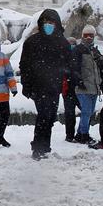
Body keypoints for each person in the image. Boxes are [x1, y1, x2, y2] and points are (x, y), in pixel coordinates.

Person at [19, 9, 71, 160]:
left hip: (54, 87)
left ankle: (45, 146)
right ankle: (38, 147)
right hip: (38, 86)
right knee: (43, 115)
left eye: (51, 22)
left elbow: (69, 64)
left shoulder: (62, 43)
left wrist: (67, 80)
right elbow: (25, 65)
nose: (48, 25)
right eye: (46, 22)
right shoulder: (32, 42)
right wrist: (26, 84)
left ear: (56, 24)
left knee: (50, 117)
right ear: (41, 23)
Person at [69, 25, 102, 145]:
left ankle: (79, 134)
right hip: (83, 87)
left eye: (91, 35)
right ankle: (84, 135)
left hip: (94, 87)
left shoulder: (95, 51)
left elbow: (99, 68)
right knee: (86, 112)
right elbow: (74, 68)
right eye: (86, 35)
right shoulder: (78, 50)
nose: (88, 38)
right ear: (82, 36)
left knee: (89, 112)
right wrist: (79, 81)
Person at [61, 37, 81, 143]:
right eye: (69, 44)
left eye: (73, 43)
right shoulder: (62, 56)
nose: (71, 46)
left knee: (86, 111)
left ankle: (81, 132)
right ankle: (70, 135)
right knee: (69, 114)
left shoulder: (79, 55)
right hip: (68, 89)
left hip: (79, 89)